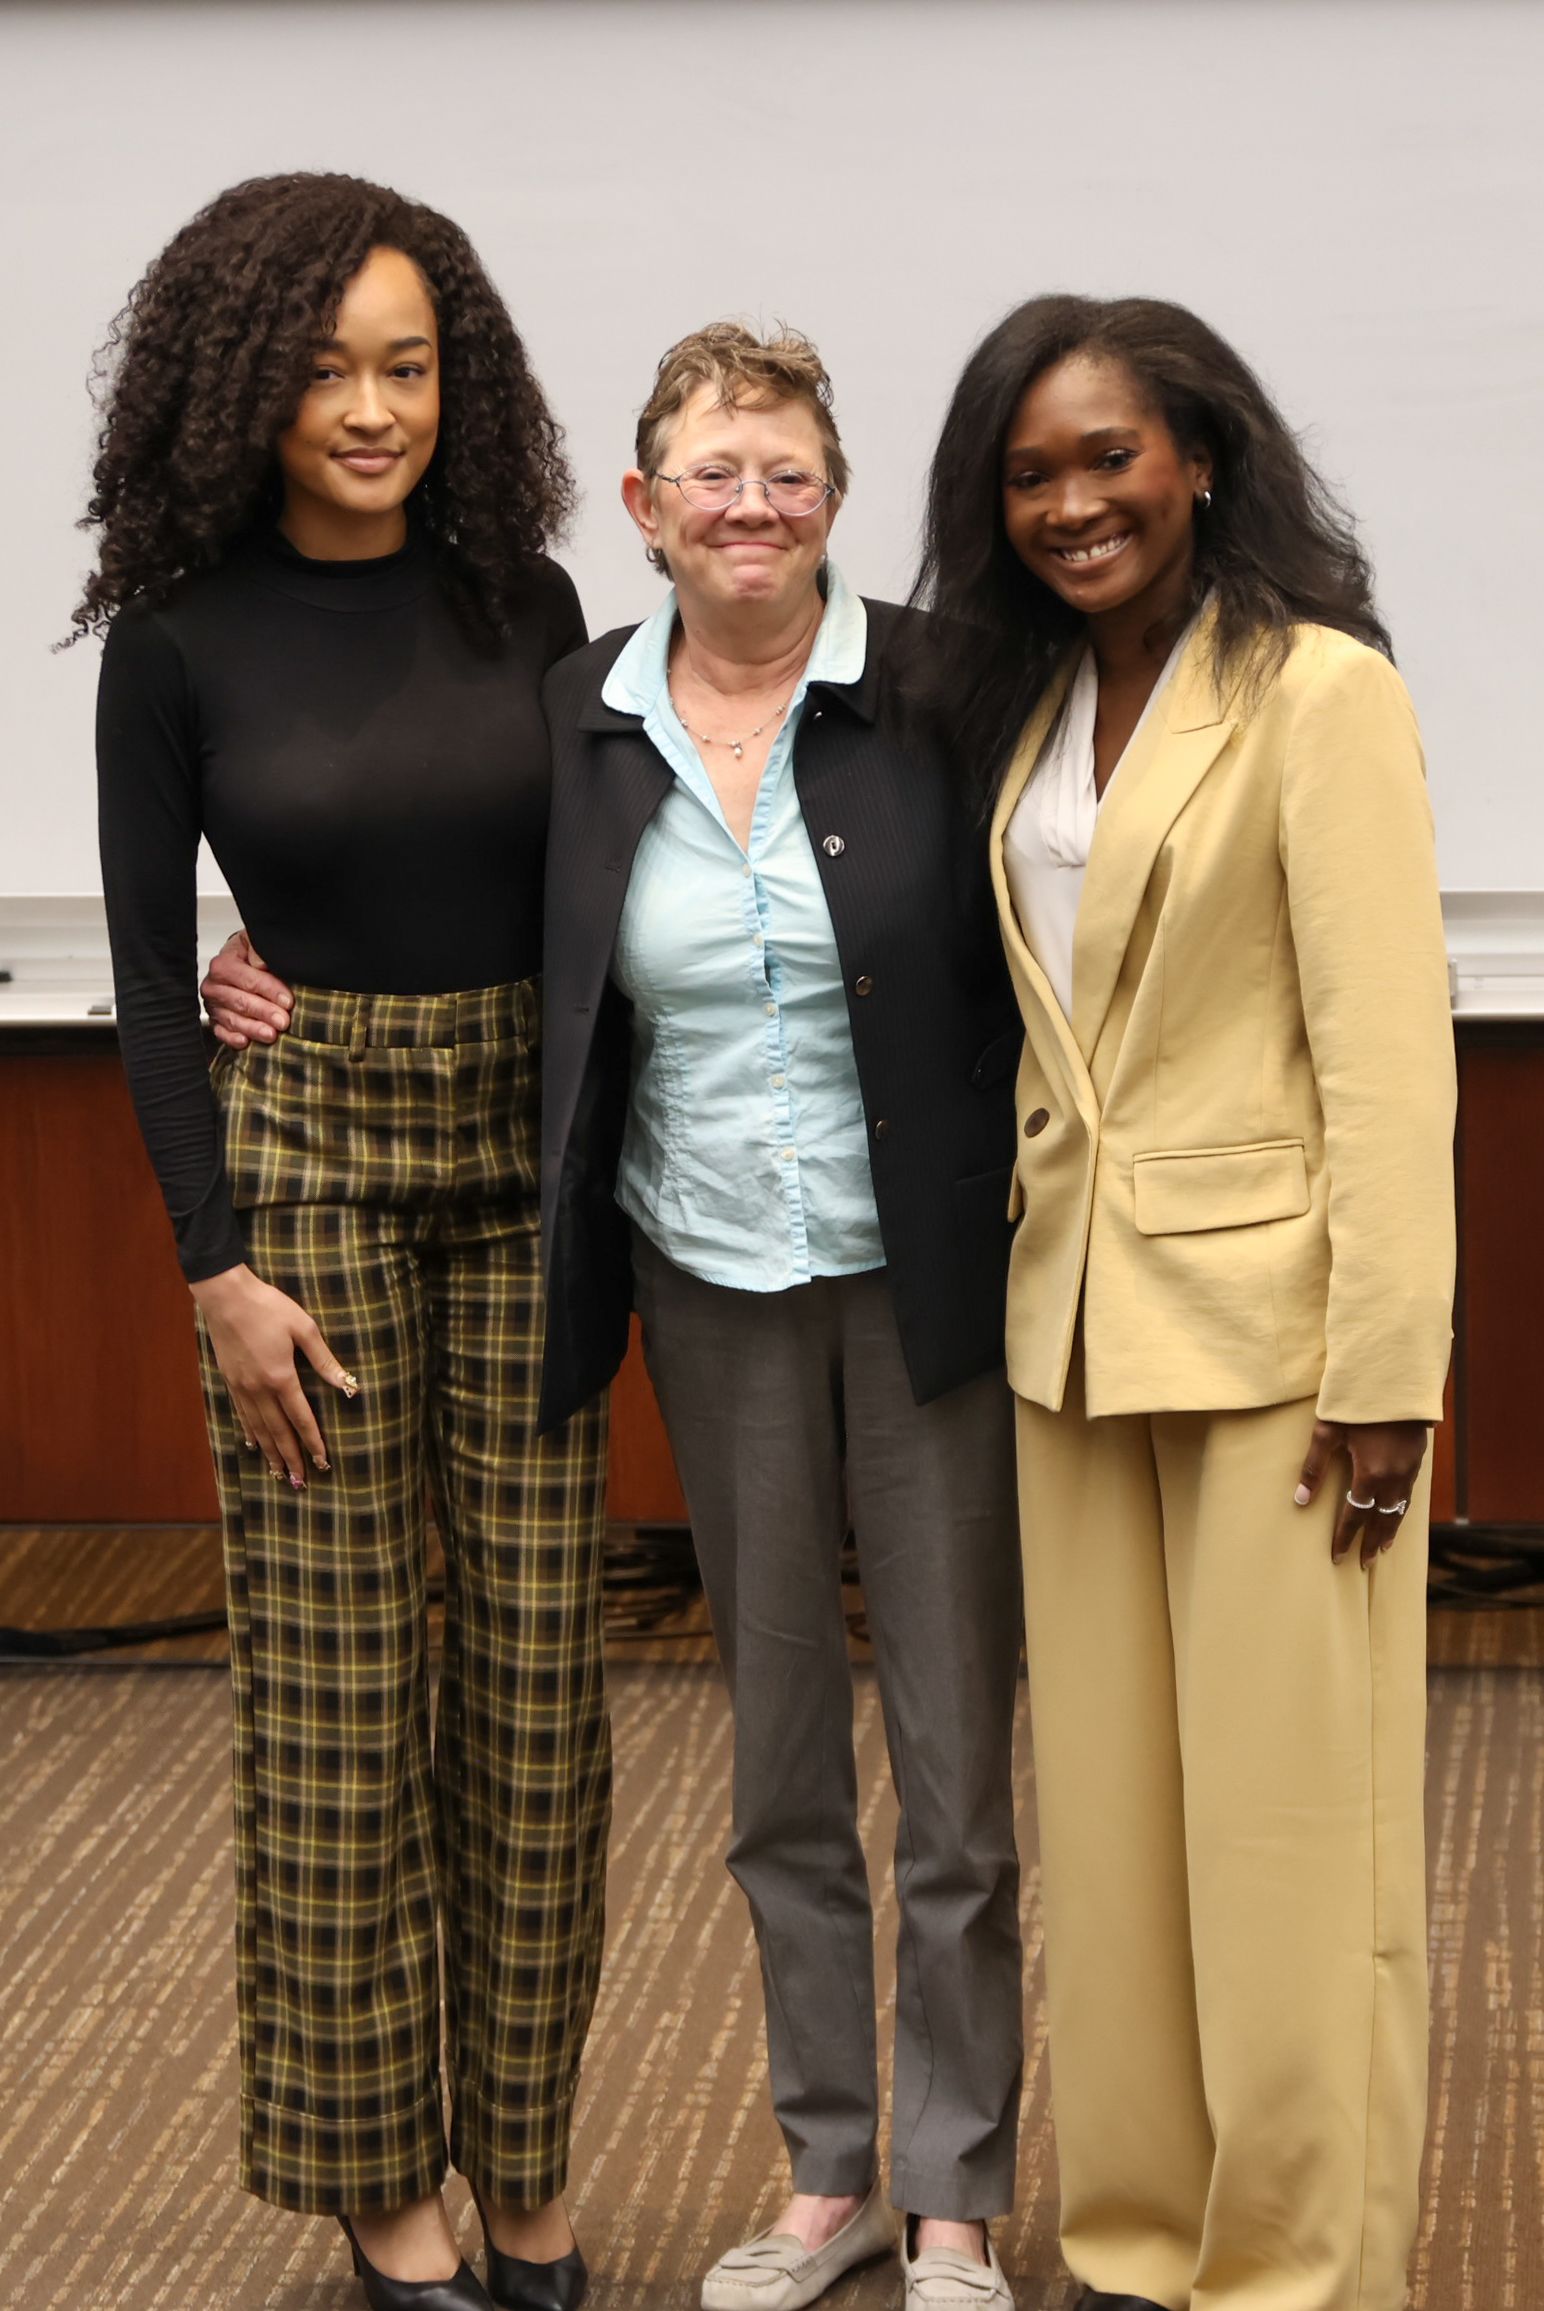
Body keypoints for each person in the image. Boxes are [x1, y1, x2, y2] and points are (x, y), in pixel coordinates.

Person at [209, 322, 1027, 2311]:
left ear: (834, 498)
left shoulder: (945, 693)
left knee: (953, 1771)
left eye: (791, 473)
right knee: (775, 1778)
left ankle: (952, 2203)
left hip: (930, 1288)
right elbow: (439, 882)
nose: (752, 507)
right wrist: (269, 952)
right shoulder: (575, 714)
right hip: (712, 1282)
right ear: (646, 512)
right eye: (711, 477)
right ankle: (825, 2174)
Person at [85, 172, 609, 2311]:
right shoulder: (177, 641)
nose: (373, 407)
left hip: (523, 1164)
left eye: (409, 364)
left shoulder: (534, 598)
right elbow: (141, 971)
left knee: (541, 1693)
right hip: (296, 1180)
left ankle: (529, 2159)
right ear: (242, 382)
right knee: (327, 1701)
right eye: (327, 368)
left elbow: (602, 901)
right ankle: (380, 2177)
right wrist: (212, 1267)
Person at [912, 294, 1456, 2311]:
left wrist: (1385, 1367)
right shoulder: (1026, 701)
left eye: (1106, 457)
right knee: (1127, 1856)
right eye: (1029, 471)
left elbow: (1388, 1060)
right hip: (1070, 1334)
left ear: (1202, 459)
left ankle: (1299, 2267)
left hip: (1283, 1356)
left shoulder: (1317, 692)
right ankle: (1142, 2245)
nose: (1069, 502)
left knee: (1294, 1855)